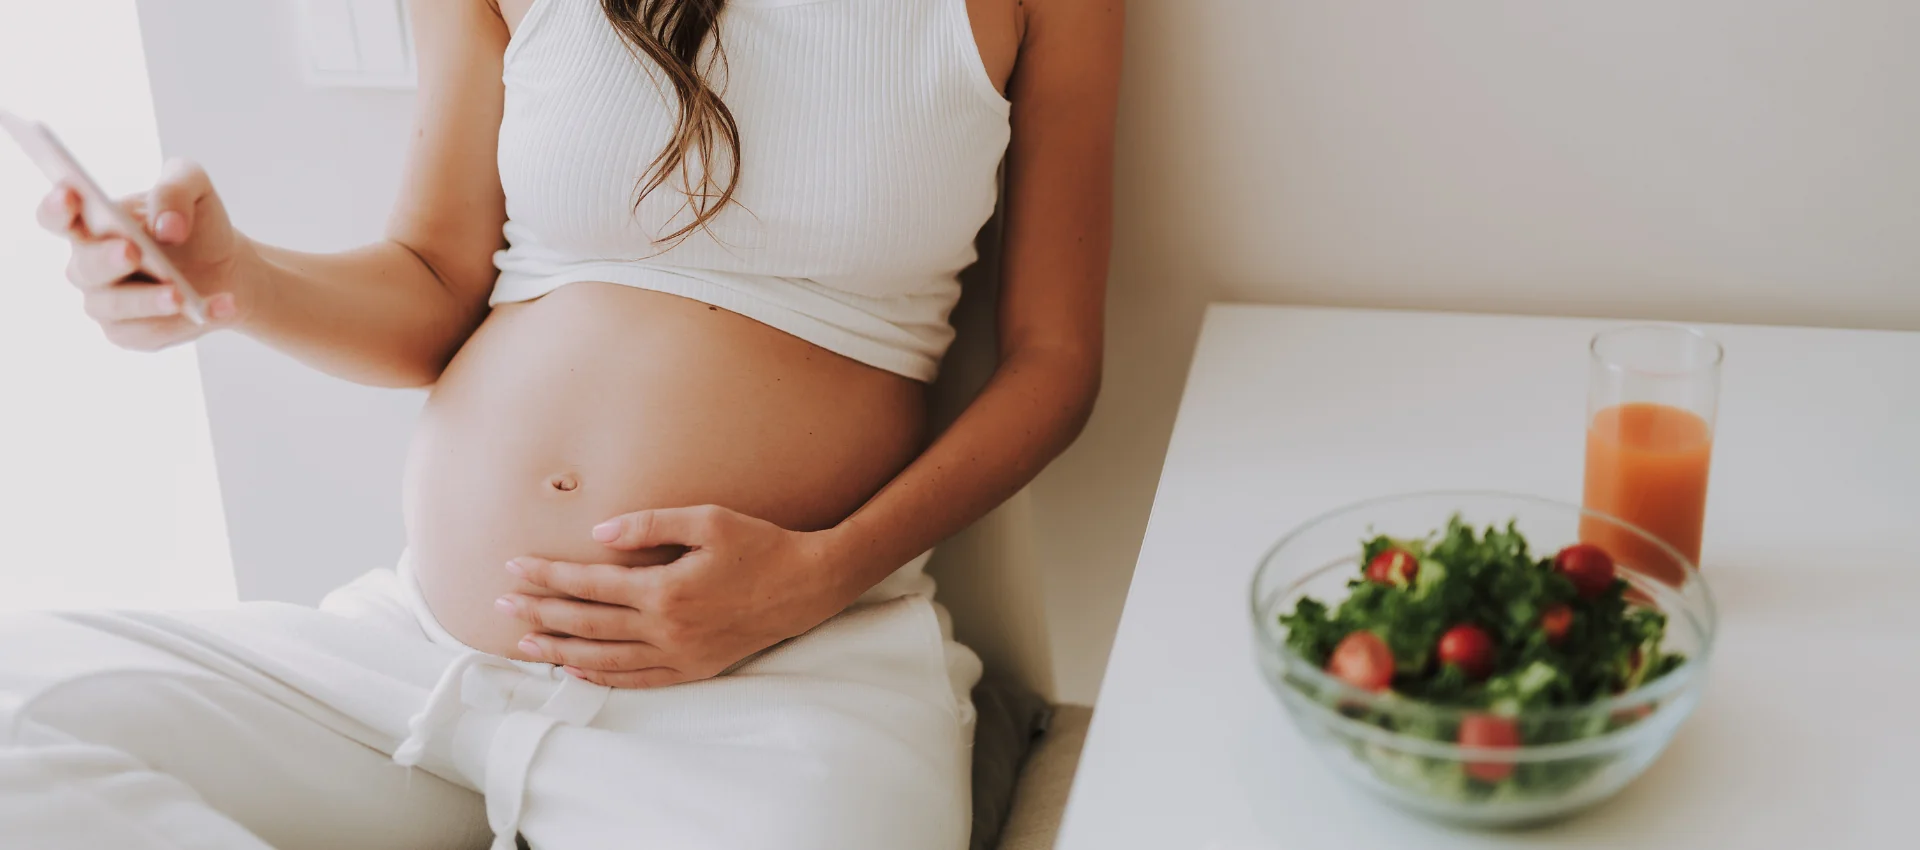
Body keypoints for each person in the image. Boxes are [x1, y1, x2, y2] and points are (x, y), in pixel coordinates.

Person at [0, 0, 1121, 848]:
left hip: (778, 669)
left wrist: (816, 577)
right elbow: (434, 281)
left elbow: (1053, 365)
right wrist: (234, 277)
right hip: (421, 660)